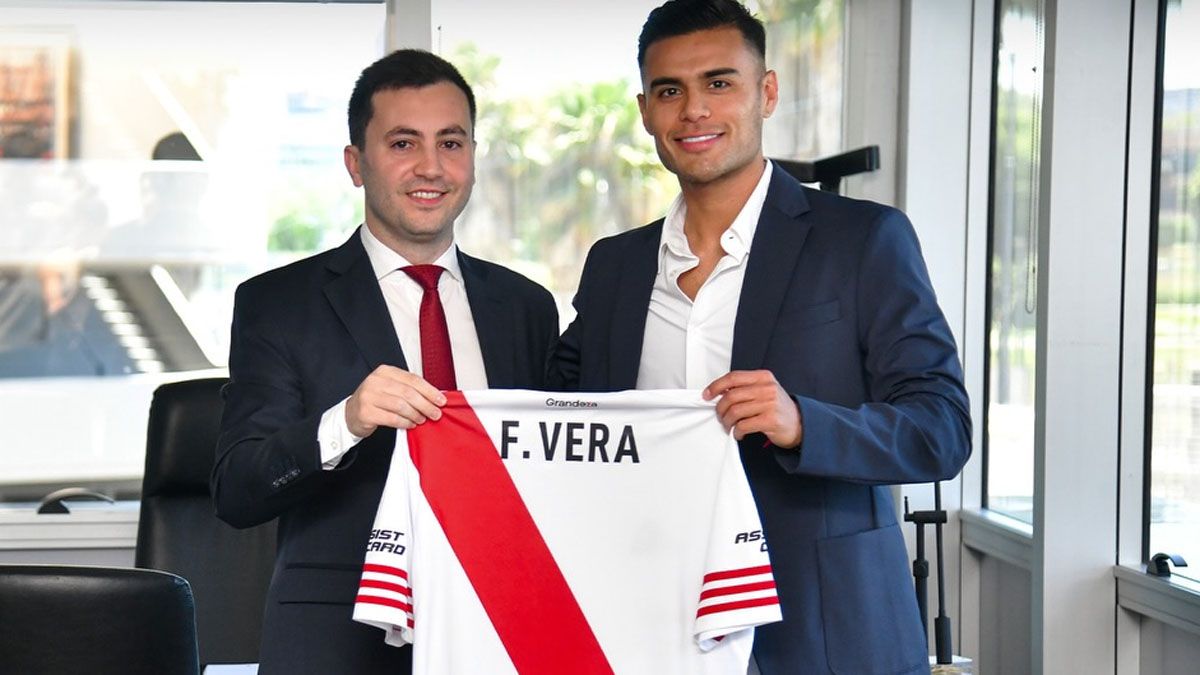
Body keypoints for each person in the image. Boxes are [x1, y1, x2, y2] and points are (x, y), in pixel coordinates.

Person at [547, 1, 971, 673]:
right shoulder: (615, 267)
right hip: (650, 625)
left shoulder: (863, 239)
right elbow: (554, 418)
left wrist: (805, 421)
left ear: (766, 92)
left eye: (720, 82)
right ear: (645, 109)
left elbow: (942, 430)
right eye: (670, 91)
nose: (694, 110)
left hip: (824, 631)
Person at [213, 49, 558, 674]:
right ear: (356, 164)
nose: (432, 166)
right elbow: (238, 491)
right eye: (403, 142)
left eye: (451, 142)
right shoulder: (277, 303)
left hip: (501, 633)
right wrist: (345, 421)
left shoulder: (527, 307)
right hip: (339, 641)